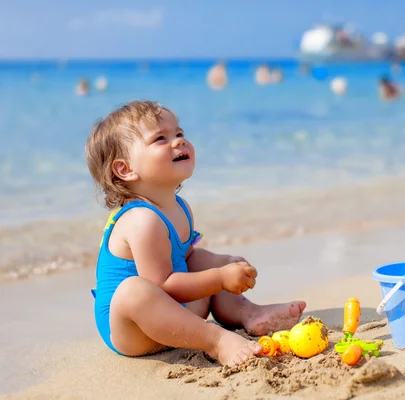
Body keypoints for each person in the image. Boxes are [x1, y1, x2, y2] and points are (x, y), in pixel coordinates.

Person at [85, 101, 306, 366]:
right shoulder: (141, 220)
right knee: (134, 290)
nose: (178, 142)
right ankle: (217, 340)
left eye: (179, 134)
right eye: (160, 139)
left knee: (211, 261)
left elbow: (187, 258)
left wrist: (224, 267)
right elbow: (162, 285)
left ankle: (248, 313)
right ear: (125, 169)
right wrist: (219, 278)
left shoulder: (180, 207)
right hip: (134, 329)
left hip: (177, 316)